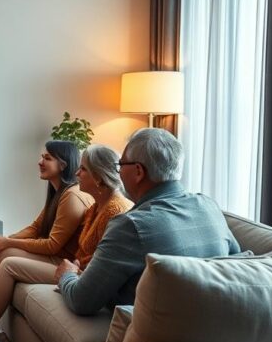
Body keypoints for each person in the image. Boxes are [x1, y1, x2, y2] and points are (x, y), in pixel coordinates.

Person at [54, 128, 240, 315]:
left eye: (120, 165)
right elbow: (237, 261)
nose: (118, 173)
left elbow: (81, 301)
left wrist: (67, 274)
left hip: (152, 325)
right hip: (212, 319)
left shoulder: (130, 225)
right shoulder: (209, 206)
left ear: (138, 171)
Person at [0, 144, 131, 329]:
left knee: (8, 262)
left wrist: (8, 241)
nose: (77, 173)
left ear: (98, 177)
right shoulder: (90, 205)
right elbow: (36, 227)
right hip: (74, 266)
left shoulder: (103, 207)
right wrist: (6, 241)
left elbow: (57, 247)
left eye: (83, 169)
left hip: (74, 269)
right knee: (5, 252)